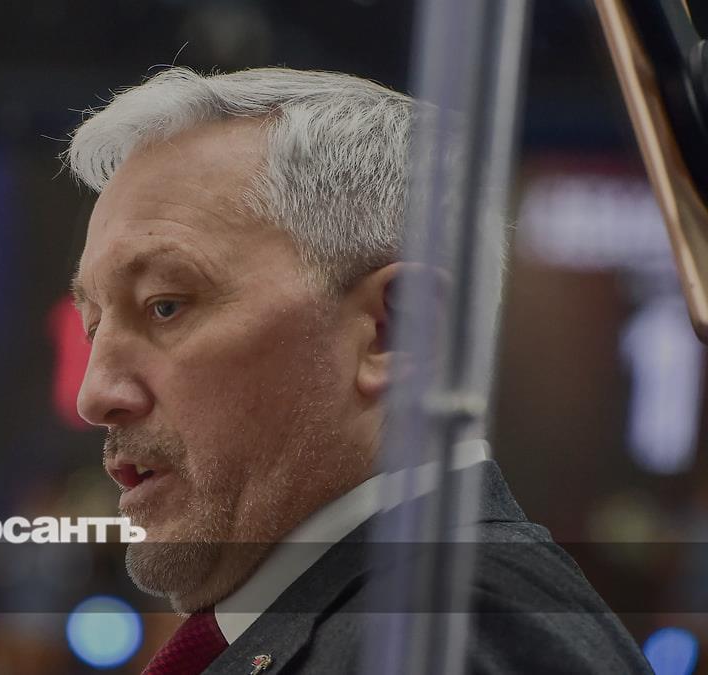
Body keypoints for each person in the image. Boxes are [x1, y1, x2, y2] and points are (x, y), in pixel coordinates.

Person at [65, 67, 652, 674]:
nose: (94, 394)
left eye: (165, 305)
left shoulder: (441, 638)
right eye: (94, 326)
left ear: (394, 331)